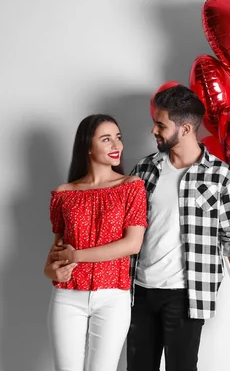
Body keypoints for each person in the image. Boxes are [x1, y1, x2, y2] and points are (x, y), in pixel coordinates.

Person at [126, 84, 230, 371]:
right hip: (140, 292)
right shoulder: (144, 170)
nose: (153, 131)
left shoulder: (219, 175)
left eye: (160, 125)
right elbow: (121, 226)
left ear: (184, 130)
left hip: (187, 294)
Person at [43, 114, 147, 371]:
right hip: (67, 295)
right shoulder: (65, 194)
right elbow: (54, 257)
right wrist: (52, 270)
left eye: (118, 138)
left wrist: (75, 256)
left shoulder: (131, 187)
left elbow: (132, 245)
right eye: (106, 139)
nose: (117, 146)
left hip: (113, 297)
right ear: (88, 147)